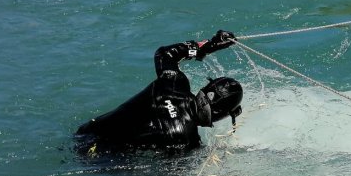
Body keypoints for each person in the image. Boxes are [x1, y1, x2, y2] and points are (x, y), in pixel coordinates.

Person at [76, 30, 242, 154]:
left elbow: (165, 54)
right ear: (219, 114)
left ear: (206, 88)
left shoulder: (174, 82)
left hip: (86, 132)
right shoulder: (188, 141)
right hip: (97, 159)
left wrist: (208, 46)